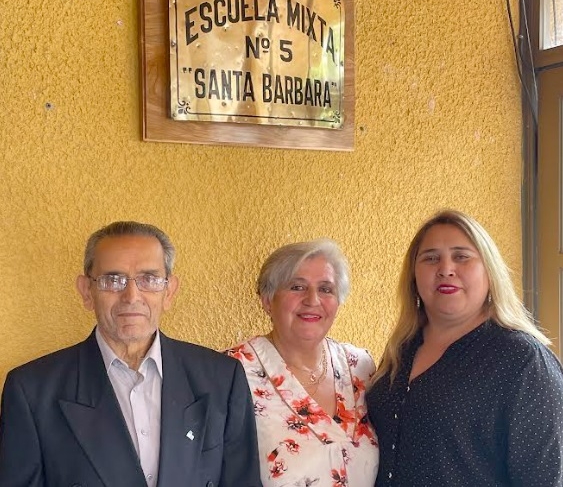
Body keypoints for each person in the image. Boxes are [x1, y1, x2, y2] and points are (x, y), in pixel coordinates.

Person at [0, 221, 262, 487]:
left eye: (149, 279)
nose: (131, 295)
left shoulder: (222, 379)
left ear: (169, 291)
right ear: (86, 291)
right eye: (113, 280)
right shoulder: (32, 391)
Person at [367, 209, 563, 486]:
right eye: (431, 258)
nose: (445, 269)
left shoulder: (523, 361)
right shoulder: (401, 349)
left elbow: (543, 478)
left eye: (461, 256)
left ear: (489, 271)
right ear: (413, 275)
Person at [225, 238, 379, 487]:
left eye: (326, 289)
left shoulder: (361, 367)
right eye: (297, 287)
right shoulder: (231, 372)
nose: (312, 299)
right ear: (267, 301)